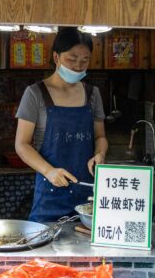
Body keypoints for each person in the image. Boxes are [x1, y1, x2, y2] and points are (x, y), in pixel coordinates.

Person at [14, 27, 108, 222]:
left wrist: (100, 154)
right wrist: (49, 171)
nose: (78, 66)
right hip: (50, 194)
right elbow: (21, 144)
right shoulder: (35, 94)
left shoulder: (93, 94)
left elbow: (100, 137)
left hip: (88, 195)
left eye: (85, 60)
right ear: (56, 57)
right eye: (71, 59)